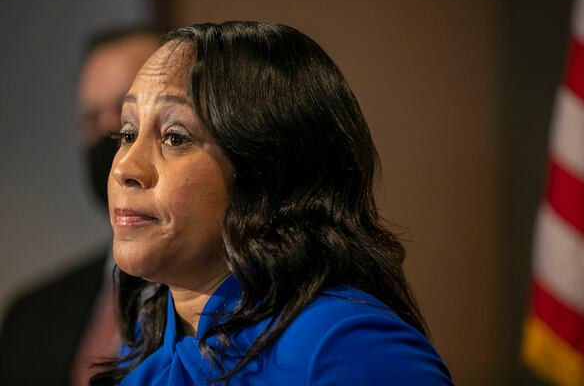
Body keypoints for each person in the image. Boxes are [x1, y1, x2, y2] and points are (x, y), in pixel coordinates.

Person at [93, 21, 453, 385]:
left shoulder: (346, 350)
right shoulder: (144, 361)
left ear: (269, 170)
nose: (125, 166)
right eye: (128, 133)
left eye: (174, 137)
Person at [0, 27, 159, 386]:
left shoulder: (229, 312)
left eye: (123, 113)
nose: (107, 132)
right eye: (91, 119)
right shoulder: (30, 318)